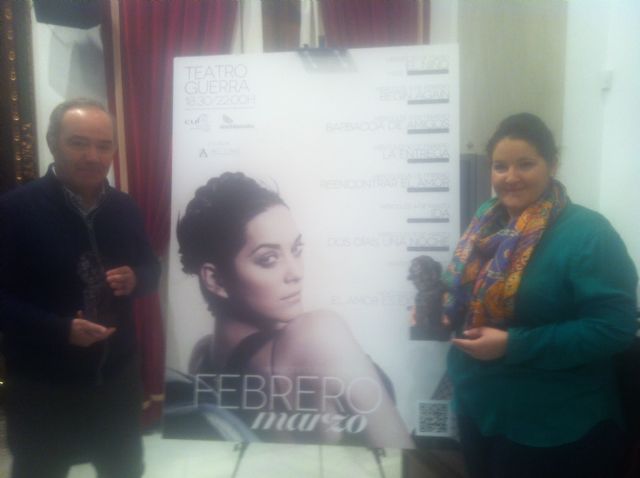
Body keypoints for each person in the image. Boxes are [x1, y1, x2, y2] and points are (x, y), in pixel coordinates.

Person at [441, 113, 638, 478]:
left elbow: (615, 327)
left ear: (553, 165)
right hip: (479, 408)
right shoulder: (485, 225)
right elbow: (461, 292)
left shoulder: (588, 233)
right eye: (500, 166)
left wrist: (514, 345)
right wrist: (434, 307)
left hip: (552, 425)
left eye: (525, 164)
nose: (510, 177)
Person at [164, 172, 412, 448]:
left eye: (296, 249)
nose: (296, 273)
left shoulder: (203, 356)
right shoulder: (316, 335)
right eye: (269, 259)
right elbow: (399, 454)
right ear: (216, 280)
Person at [0, 98, 160, 478]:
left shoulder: (124, 208)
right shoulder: (14, 210)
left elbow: (152, 270)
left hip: (116, 378)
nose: (93, 156)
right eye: (78, 143)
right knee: (41, 470)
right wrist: (59, 330)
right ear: (52, 142)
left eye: (104, 145)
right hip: (43, 385)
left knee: (123, 469)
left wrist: (137, 278)